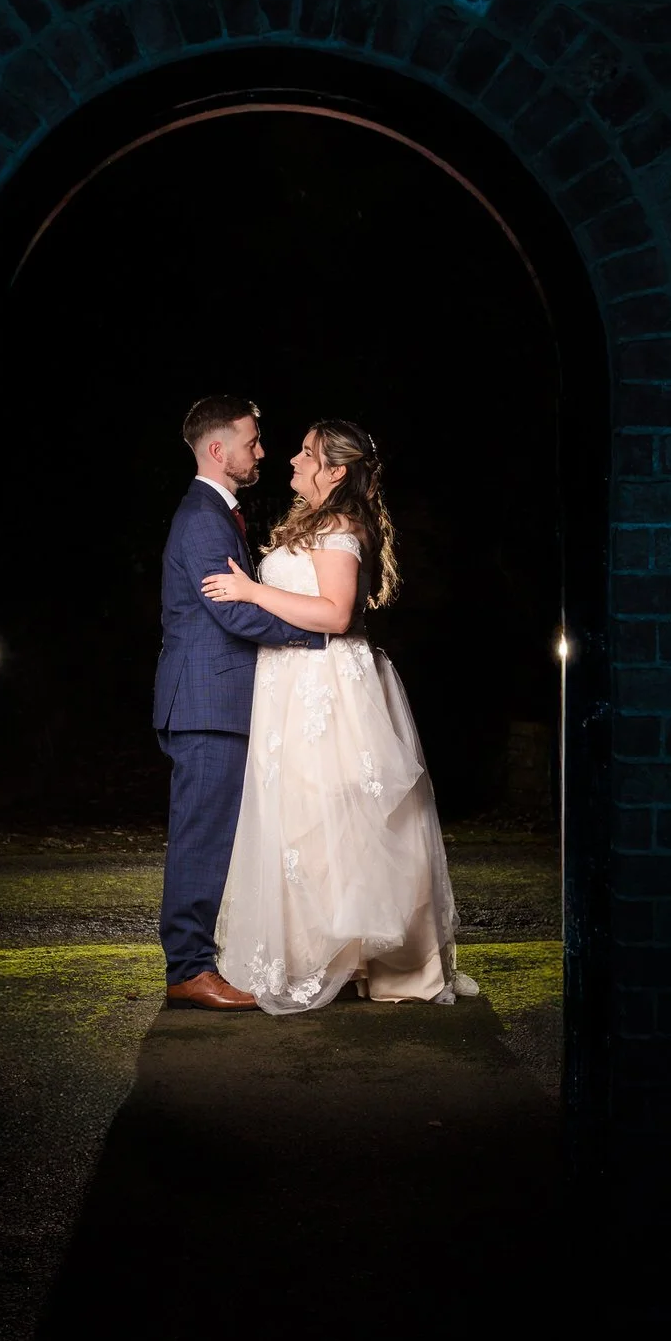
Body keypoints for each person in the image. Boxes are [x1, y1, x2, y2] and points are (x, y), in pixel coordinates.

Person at [202, 419, 480, 1015]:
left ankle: (375, 958)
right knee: (305, 814)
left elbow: (334, 613)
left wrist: (251, 592)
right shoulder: (314, 521)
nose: (294, 461)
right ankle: (329, 952)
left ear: (336, 472)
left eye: (308, 454)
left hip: (325, 683)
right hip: (292, 682)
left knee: (337, 811)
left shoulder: (339, 525)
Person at [153, 395, 327, 1011]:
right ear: (218, 449)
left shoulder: (218, 514)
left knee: (215, 833)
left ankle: (198, 963)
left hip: (217, 697)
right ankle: (190, 970)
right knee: (202, 835)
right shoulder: (203, 515)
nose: (261, 452)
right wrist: (313, 634)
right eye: (252, 442)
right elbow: (230, 610)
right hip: (206, 700)